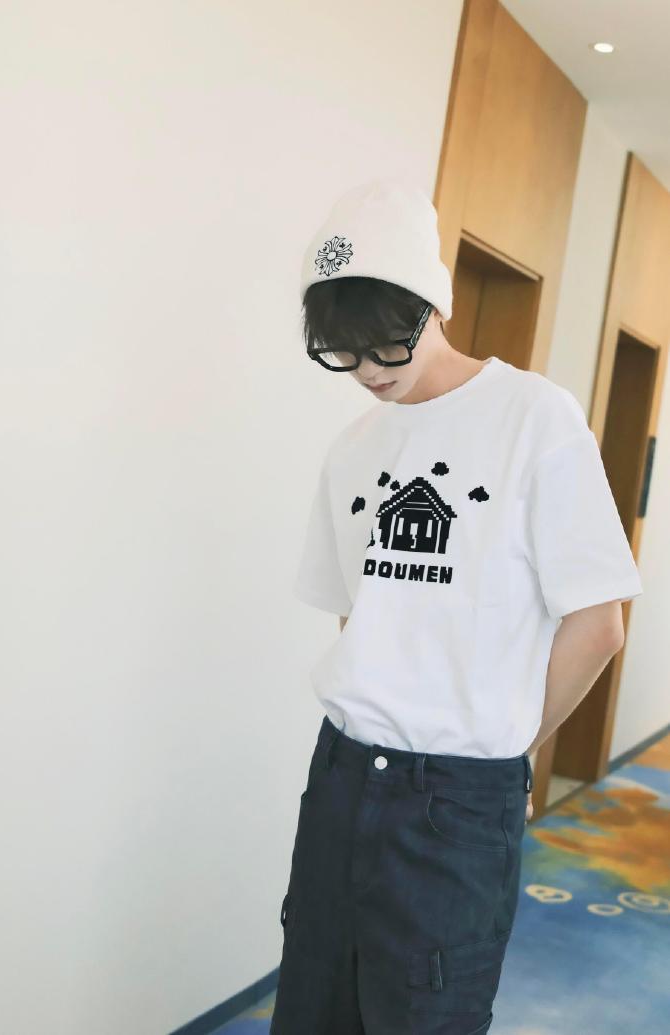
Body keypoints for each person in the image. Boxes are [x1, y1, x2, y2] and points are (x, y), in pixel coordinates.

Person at [270, 178, 643, 1035]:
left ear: (433, 304)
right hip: (340, 777)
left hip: (457, 796)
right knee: (312, 1008)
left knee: (426, 1014)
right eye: (344, 353)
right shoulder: (353, 449)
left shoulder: (533, 418)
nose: (369, 371)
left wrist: (507, 748)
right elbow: (358, 616)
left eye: (384, 344)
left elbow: (598, 625)